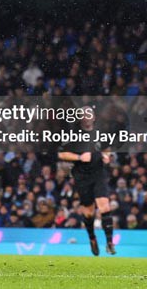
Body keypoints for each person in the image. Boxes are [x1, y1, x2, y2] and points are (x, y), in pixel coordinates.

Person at [57, 109, 116, 256]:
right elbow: (62, 153)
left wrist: (107, 156)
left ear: (94, 117)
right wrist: (79, 157)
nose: (87, 118)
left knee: (104, 205)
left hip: (98, 173)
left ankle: (109, 242)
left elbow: (107, 148)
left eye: (89, 115)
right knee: (89, 212)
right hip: (82, 176)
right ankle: (92, 238)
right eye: (84, 115)